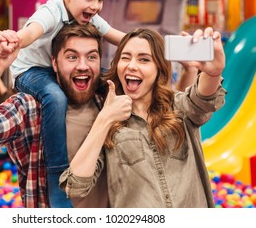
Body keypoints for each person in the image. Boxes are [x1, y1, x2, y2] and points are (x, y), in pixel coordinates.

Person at [0, 0, 125, 207]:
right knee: (55, 97)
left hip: (56, 69)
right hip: (31, 71)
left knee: (110, 77)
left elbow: (115, 35)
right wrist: (16, 40)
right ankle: (57, 171)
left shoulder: (88, 18)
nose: (96, 6)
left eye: (100, 0)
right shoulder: (51, 11)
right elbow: (33, 30)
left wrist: (147, 44)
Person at [59, 27, 227, 208]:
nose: (132, 65)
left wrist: (213, 73)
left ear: (158, 69)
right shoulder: (108, 123)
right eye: (125, 58)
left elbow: (204, 100)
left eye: (144, 59)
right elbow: (75, 186)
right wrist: (105, 119)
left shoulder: (178, 107)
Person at [0, 23, 111, 208]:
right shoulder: (32, 108)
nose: (83, 66)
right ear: (55, 63)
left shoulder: (108, 103)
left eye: (91, 57)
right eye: (72, 57)